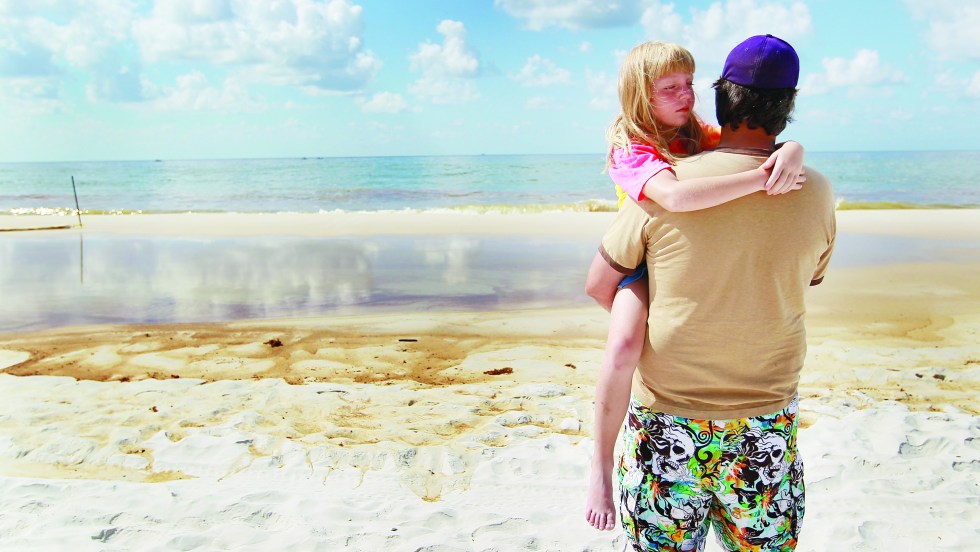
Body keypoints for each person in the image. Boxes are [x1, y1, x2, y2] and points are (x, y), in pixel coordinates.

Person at [585, 34, 836, 551]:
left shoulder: (682, 165)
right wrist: (780, 163)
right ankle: (597, 469)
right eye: (670, 88)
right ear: (788, 106)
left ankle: (601, 466)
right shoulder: (811, 189)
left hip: (667, 421)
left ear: (720, 95)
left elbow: (597, 284)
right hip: (765, 421)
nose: (685, 95)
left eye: (690, 85)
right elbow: (809, 274)